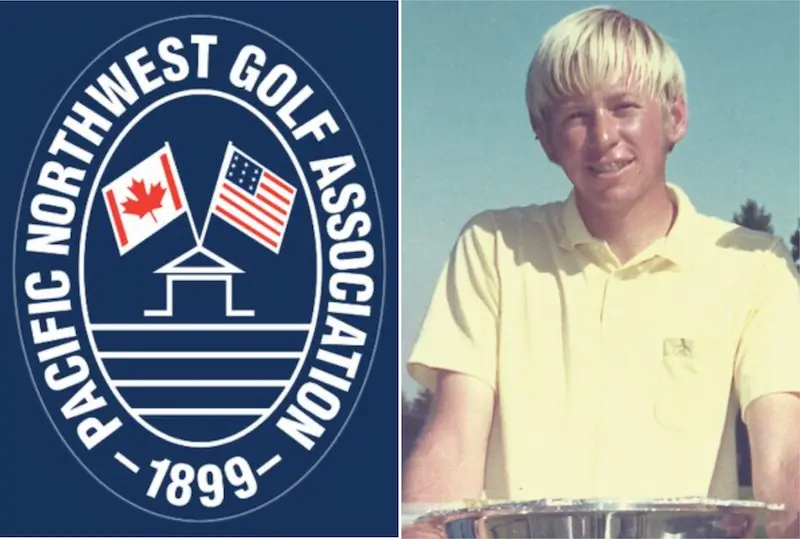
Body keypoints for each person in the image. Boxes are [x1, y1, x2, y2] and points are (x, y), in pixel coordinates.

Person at [402, 5, 800, 538]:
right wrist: (420, 529)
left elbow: (784, 455)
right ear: (543, 135)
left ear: (676, 117)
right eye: (575, 116)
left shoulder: (755, 265)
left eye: (625, 107)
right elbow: (452, 443)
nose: (603, 136)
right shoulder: (493, 247)